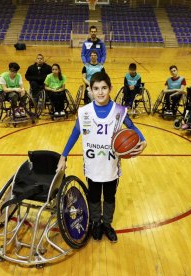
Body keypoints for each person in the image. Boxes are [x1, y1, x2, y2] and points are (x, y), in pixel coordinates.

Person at [57, 72, 147, 243]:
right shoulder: (84, 111)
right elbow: (75, 133)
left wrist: (143, 140)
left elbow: (132, 126)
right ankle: (96, 223)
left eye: (104, 88)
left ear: (110, 88)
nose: (100, 92)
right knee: (94, 196)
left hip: (111, 165)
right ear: (90, 90)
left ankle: (107, 224)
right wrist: (63, 155)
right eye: (96, 88)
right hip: (93, 164)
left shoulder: (119, 110)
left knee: (110, 196)